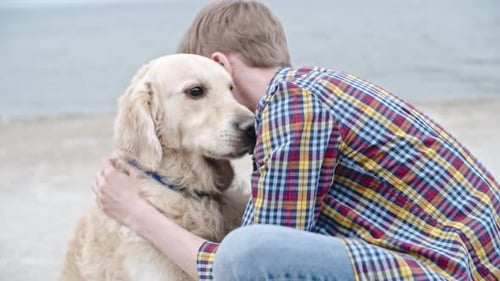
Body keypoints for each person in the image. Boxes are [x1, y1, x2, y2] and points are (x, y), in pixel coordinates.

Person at [93, 1, 500, 280]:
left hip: (451, 271)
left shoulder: (293, 102)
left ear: (218, 66)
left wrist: (135, 213)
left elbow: (246, 265)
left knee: (247, 250)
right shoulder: (315, 89)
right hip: (458, 260)